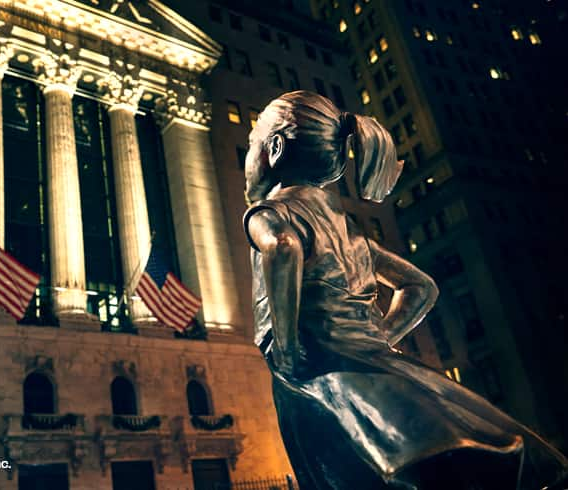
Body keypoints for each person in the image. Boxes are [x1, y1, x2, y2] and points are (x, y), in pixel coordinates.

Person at [242, 91, 567, 489]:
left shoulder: (272, 211)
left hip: (317, 374)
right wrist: (378, 340)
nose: (248, 153)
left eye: (253, 140)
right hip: (368, 361)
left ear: (274, 148)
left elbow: (282, 246)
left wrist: (288, 348)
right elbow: (421, 288)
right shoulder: (352, 235)